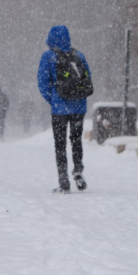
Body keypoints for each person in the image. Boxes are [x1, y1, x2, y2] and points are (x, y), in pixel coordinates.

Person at [38, 25, 93, 193]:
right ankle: (78, 171)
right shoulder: (78, 55)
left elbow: (42, 83)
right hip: (78, 107)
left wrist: (54, 99)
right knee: (76, 140)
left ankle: (63, 181)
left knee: (60, 144)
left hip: (59, 109)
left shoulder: (48, 57)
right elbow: (87, 79)